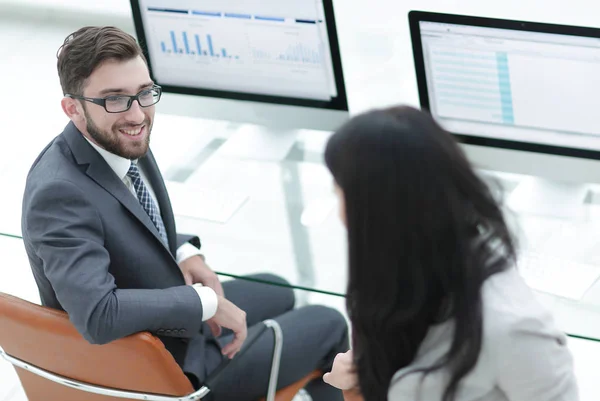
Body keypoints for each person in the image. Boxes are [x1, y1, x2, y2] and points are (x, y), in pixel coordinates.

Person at [21, 26, 348, 401]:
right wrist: (202, 303)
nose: (138, 113)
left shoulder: (114, 137)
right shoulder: (58, 193)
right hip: (156, 375)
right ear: (73, 108)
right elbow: (98, 314)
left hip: (164, 328)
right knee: (329, 324)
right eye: (115, 99)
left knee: (279, 288)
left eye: (145, 92)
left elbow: (121, 217)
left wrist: (183, 252)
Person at [321, 106, 579, 401]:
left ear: (380, 211)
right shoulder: (388, 281)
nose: (339, 210)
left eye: (340, 192)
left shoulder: (511, 327)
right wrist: (355, 383)